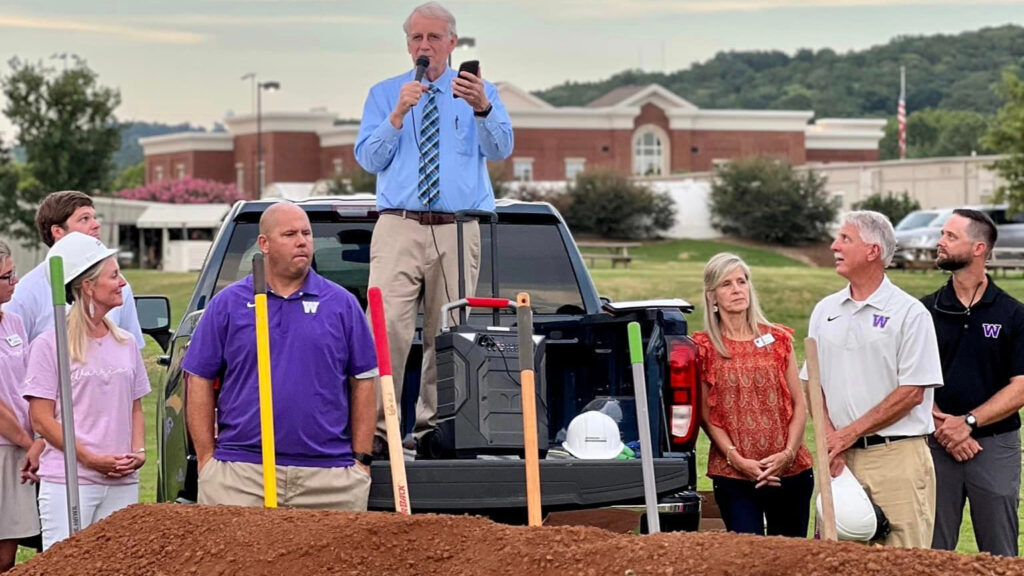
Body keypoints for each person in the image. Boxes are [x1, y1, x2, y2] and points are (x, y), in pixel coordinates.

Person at [354, 1, 514, 454]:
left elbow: (501, 148)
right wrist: (396, 116)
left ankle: (434, 432)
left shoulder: (479, 93)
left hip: (456, 228)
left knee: (449, 332)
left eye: (433, 38)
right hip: (398, 226)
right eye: (416, 38)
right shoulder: (385, 93)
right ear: (408, 45)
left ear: (452, 43)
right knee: (385, 331)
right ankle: (379, 434)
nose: (424, 46)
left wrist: (483, 107)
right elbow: (369, 158)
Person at [183, 203, 378, 510]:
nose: (302, 241)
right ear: (265, 244)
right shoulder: (228, 304)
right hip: (241, 476)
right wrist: (207, 460)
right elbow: (199, 379)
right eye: (289, 234)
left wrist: (360, 461)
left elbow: (365, 382)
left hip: (329, 479)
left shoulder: (342, 304)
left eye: (306, 233)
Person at [802, 210, 943, 548]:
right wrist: (831, 440)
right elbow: (812, 382)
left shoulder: (910, 314)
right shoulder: (825, 311)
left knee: (901, 563)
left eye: (845, 239)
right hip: (838, 458)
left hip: (896, 458)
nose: (834, 245)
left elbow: (912, 393)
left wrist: (846, 435)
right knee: (836, 563)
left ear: (872, 251)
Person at [23, 233, 149, 550]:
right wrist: (90, 458)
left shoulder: (126, 342)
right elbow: (40, 419)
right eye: (114, 275)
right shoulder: (50, 344)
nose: (122, 282)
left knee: (119, 567)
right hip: (71, 483)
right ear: (88, 286)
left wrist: (139, 452)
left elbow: (135, 406)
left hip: (123, 480)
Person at [920, 209, 1024, 557]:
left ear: (979, 248)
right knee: (931, 554)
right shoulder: (924, 312)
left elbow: (1020, 386)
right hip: (936, 444)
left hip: (994, 446)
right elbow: (909, 381)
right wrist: (944, 427)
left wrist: (968, 423)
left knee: (999, 554)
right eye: (942, 235)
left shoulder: (1013, 314)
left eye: (950, 236)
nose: (940, 242)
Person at [692, 253, 814, 537]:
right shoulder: (704, 348)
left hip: (790, 471)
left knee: (790, 561)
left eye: (742, 281)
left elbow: (799, 404)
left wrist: (787, 455)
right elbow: (707, 419)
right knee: (747, 560)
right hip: (734, 474)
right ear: (712, 296)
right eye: (727, 284)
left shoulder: (778, 339)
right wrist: (738, 460)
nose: (737, 289)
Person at [7, 190, 144, 347]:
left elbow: (132, 350)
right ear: (58, 231)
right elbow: (13, 360)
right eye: (85, 219)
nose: (96, 224)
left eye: (95, 217)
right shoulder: (25, 293)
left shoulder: (118, 285)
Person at [0, 240, 41, 571]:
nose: (15, 282)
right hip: (8, 444)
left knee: (7, 556)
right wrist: (31, 445)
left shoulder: (13, 324)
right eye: (7, 276)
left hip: (20, 450)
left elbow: (28, 384)